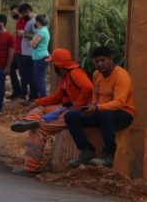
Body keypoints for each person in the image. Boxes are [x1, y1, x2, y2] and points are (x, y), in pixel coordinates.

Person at [9, 48, 94, 176]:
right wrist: (37, 101)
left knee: (37, 129)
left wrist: (78, 106)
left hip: (77, 112)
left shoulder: (75, 73)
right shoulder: (66, 76)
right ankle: (29, 120)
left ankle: (32, 168)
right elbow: (57, 97)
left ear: (58, 64)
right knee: (40, 108)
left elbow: (88, 87)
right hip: (66, 108)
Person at [63, 45, 135, 168]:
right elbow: (95, 97)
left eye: (103, 60)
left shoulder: (121, 75)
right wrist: (91, 108)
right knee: (71, 116)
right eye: (96, 61)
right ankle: (86, 151)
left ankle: (108, 156)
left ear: (110, 59)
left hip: (123, 113)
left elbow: (119, 102)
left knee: (107, 115)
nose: (100, 64)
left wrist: (97, 108)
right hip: (101, 111)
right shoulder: (97, 74)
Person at [14, 3, 36, 102]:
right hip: (26, 52)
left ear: (27, 12)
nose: (22, 17)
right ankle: (31, 96)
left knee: (31, 76)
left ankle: (33, 96)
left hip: (31, 53)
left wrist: (24, 34)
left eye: (23, 15)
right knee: (27, 75)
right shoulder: (29, 21)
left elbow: (37, 36)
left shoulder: (35, 21)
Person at [28, 14, 51, 100]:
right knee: (39, 78)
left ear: (38, 22)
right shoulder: (45, 30)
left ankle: (44, 98)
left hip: (40, 57)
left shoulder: (41, 31)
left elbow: (33, 44)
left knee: (39, 79)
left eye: (35, 21)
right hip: (41, 56)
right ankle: (42, 98)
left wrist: (31, 42)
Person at [7, 6, 26, 100]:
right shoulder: (18, 21)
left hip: (23, 51)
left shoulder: (25, 21)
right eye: (11, 14)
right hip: (17, 50)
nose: (13, 15)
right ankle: (17, 91)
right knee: (11, 69)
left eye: (14, 13)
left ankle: (23, 93)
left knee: (23, 73)